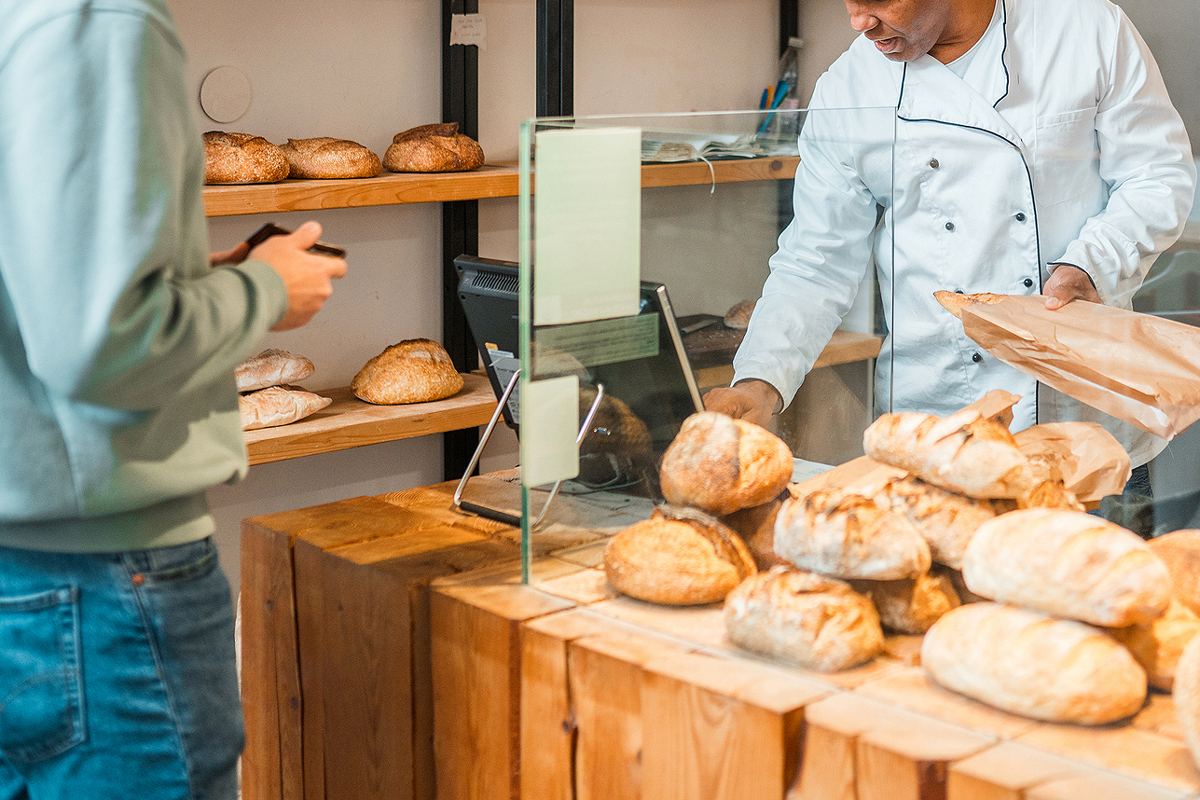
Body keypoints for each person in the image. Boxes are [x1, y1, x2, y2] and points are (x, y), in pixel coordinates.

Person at [0, 0, 346, 797]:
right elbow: (100, 345)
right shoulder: (100, 17)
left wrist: (181, 276)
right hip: (103, 588)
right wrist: (265, 289)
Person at [706, 0, 1196, 494]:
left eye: (878, 0)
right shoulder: (850, 89)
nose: (860, 22)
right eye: (849, 2)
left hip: (1082, 423)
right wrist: (760, 380)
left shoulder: (1085, 29)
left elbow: (1157, 178)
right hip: (936, 427)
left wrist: (1091, 264)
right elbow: (816, 260)